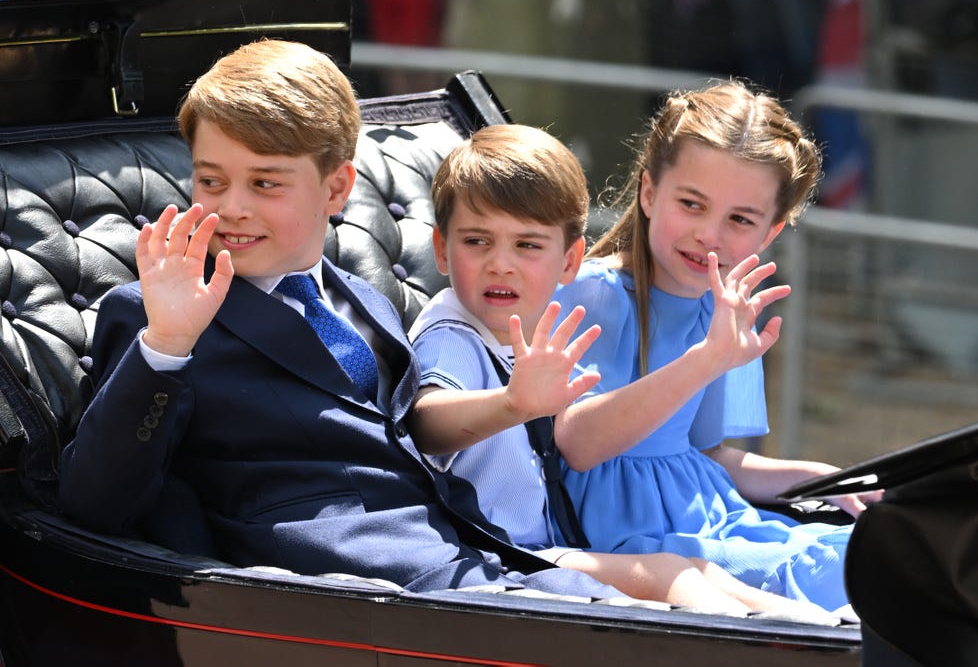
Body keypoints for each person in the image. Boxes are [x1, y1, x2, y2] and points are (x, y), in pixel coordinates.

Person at [56, 39, 622, 599]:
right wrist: (167, 344)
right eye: (211, 181)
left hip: (465, 551)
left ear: (336, 188)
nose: (231, 206)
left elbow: (409, 440)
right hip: (340, 582)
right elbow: (95, 504)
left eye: (265, 182)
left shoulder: (364, 299)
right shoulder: (156, 315)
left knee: (673, 612)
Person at [407, 122, 835, 620]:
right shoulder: (454, 332)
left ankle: (825, 631)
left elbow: (707, 453)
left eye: (526, 246)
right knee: (670, 574)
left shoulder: (526, 331)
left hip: (549, 542)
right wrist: (511, 403)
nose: (501, 264)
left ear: (567, 261)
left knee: (699, 572)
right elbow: (425, 421)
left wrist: (824, 480)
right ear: (441, 249)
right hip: (502, 554)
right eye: (477, 241)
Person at [550, 79, 880, 612]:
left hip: (717, 519)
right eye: (692, 204)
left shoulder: (725, 306)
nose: (710, 235)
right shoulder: (590, 294)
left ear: (769, 234)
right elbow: (578, 446)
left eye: (740, 220)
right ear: (649, 193)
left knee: (868, 550)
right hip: (639, 544)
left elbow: (711, 458)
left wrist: (818, 478)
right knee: (846, 577)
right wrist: (706, 359)